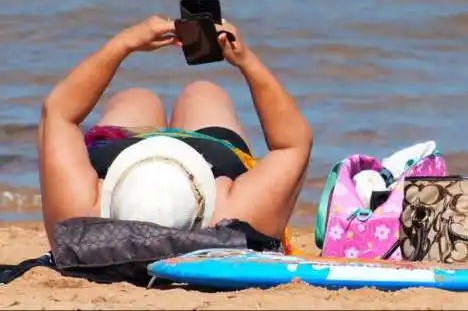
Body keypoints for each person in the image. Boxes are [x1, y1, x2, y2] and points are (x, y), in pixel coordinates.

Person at [37, 15, 312, 250]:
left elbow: (58, 111)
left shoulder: (79, 224)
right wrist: (244, 59)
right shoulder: (233, 221)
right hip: (190, 156)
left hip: (119, 156)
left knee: (136, 96)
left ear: (110, 199)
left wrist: (125, 42)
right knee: (203, 91)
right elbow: (294, 143)